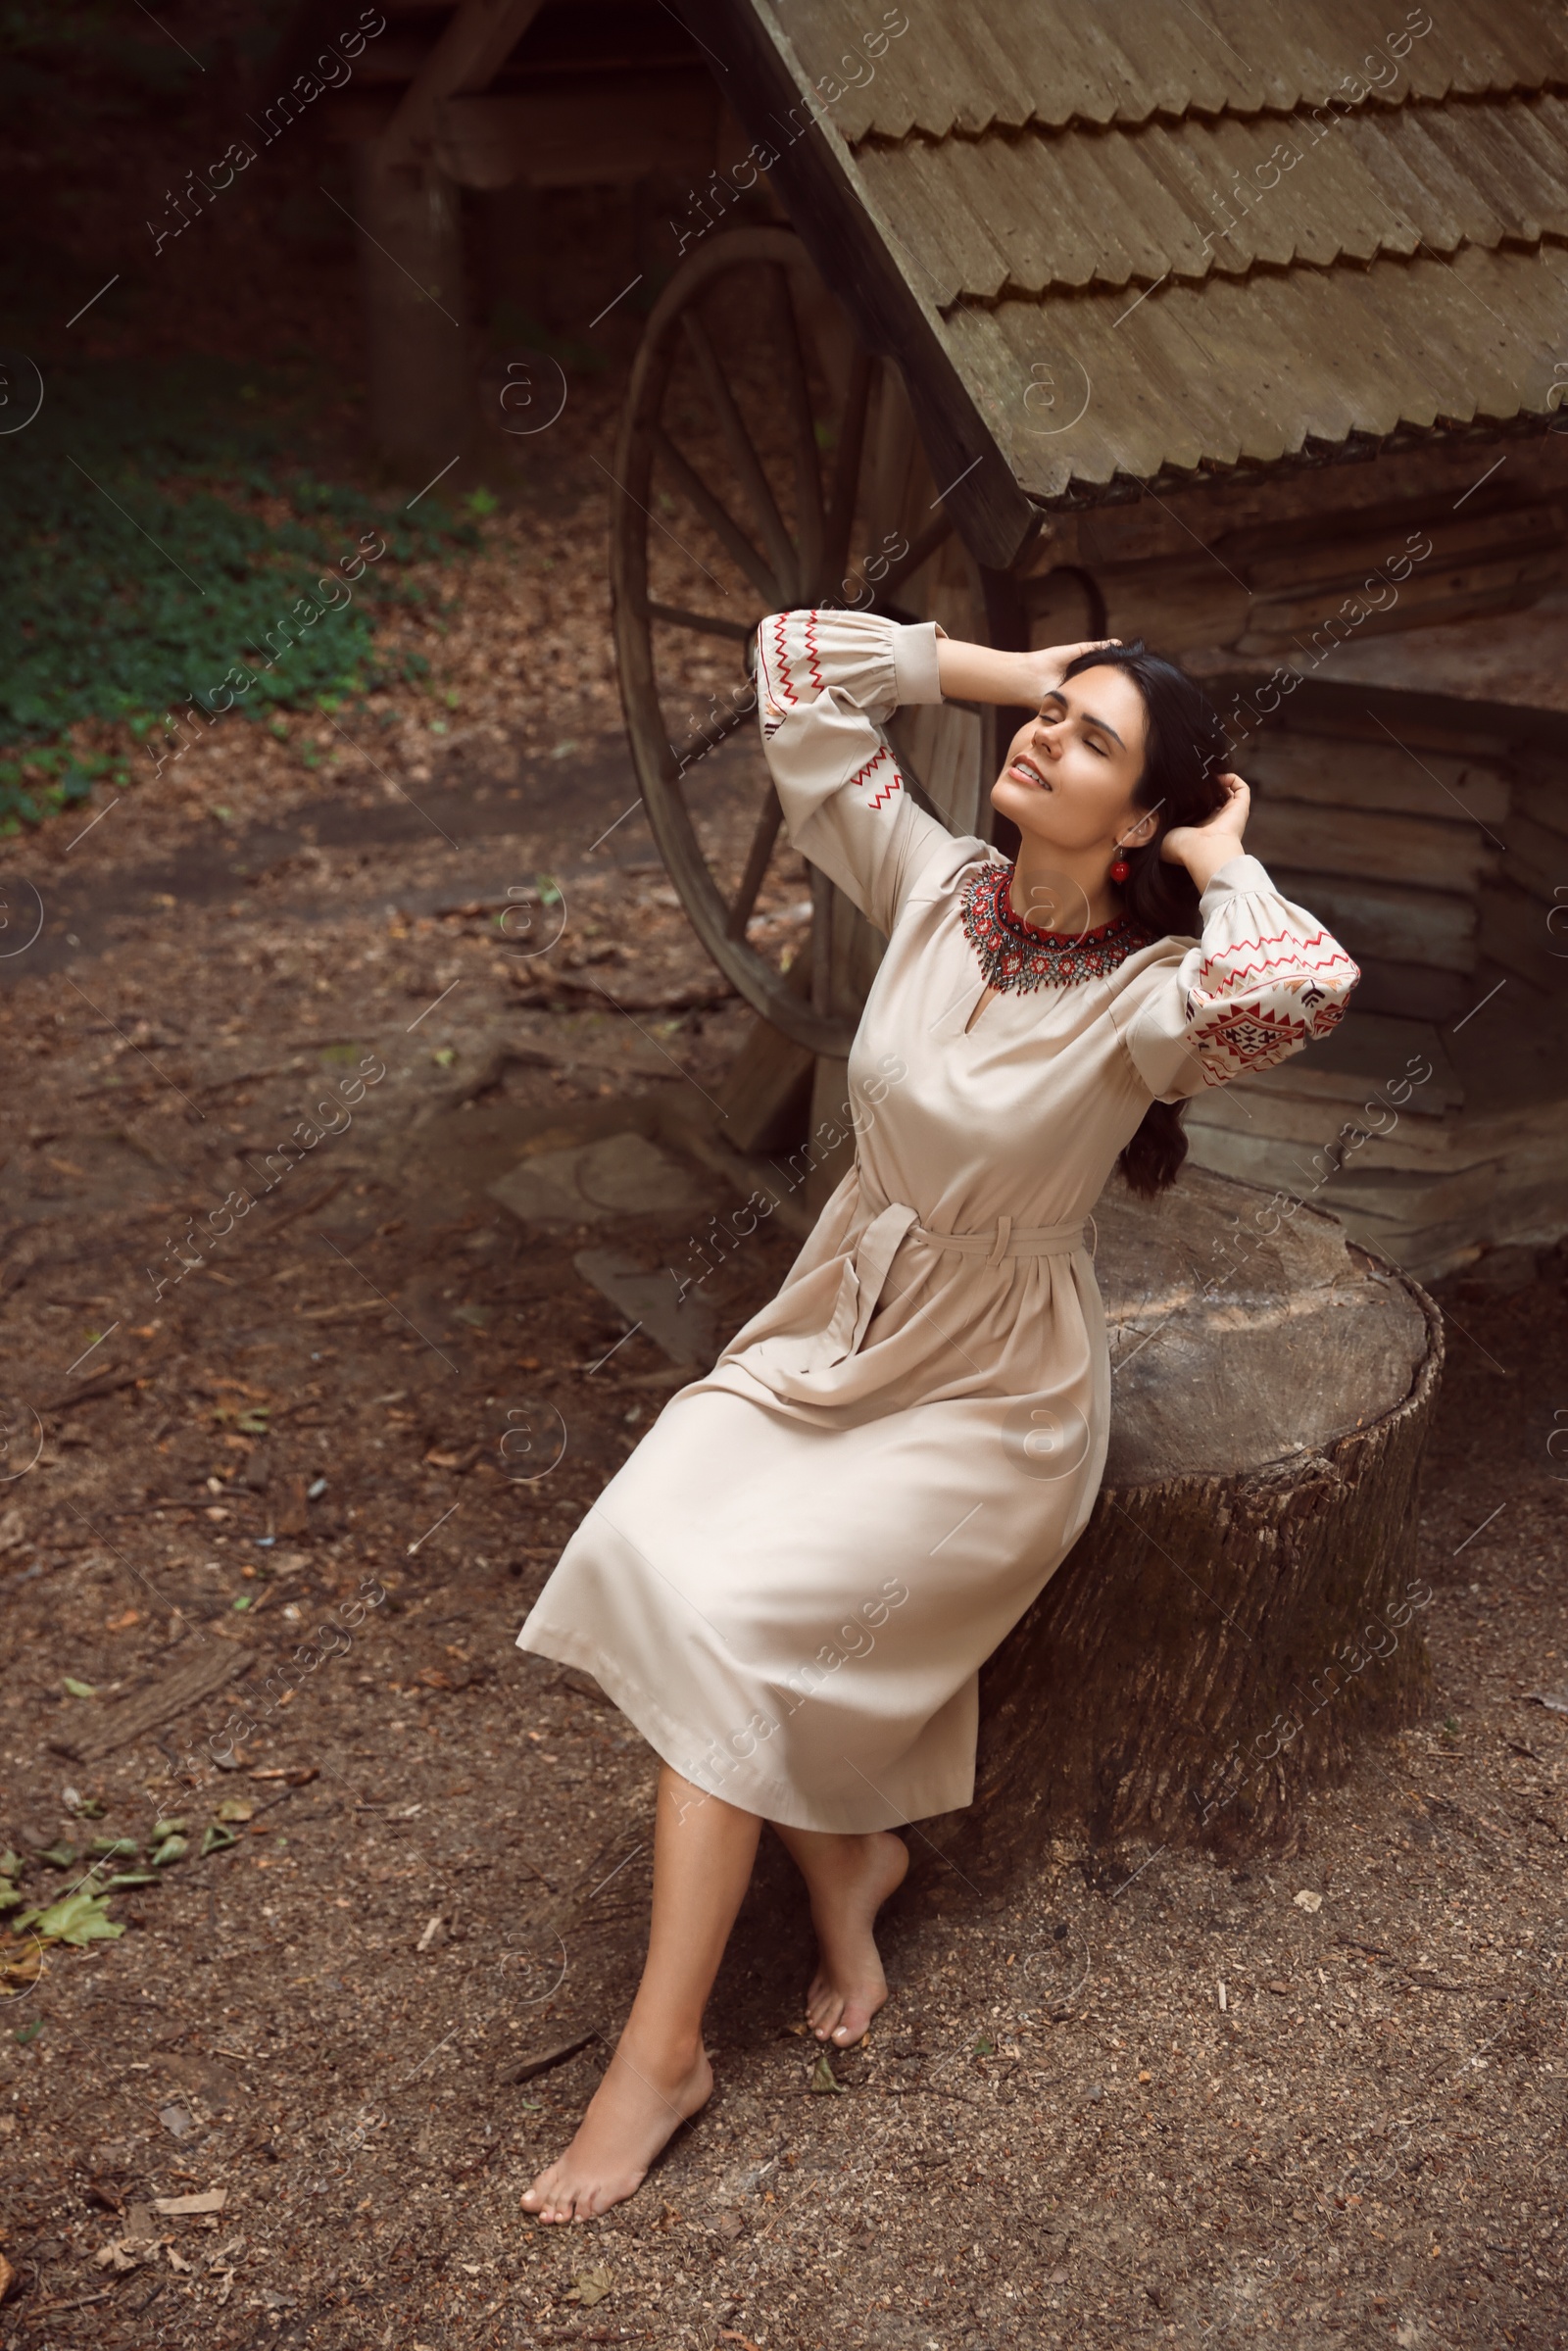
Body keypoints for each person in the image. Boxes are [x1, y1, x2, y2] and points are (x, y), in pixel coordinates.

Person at [516, 609, 1359, 2222]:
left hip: (993, 1400)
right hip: (837, 1325)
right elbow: (790, 664)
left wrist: (1226, 850)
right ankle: (848, 1855)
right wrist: (1013, 674)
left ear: (1140, 826)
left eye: (1090, 741)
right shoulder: (931, 884)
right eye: (1053, 718)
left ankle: (664, 2052)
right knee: (647, 1536)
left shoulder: (1155, 999)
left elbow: (1306, 987)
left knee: (737, 1615)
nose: (1043, 742)